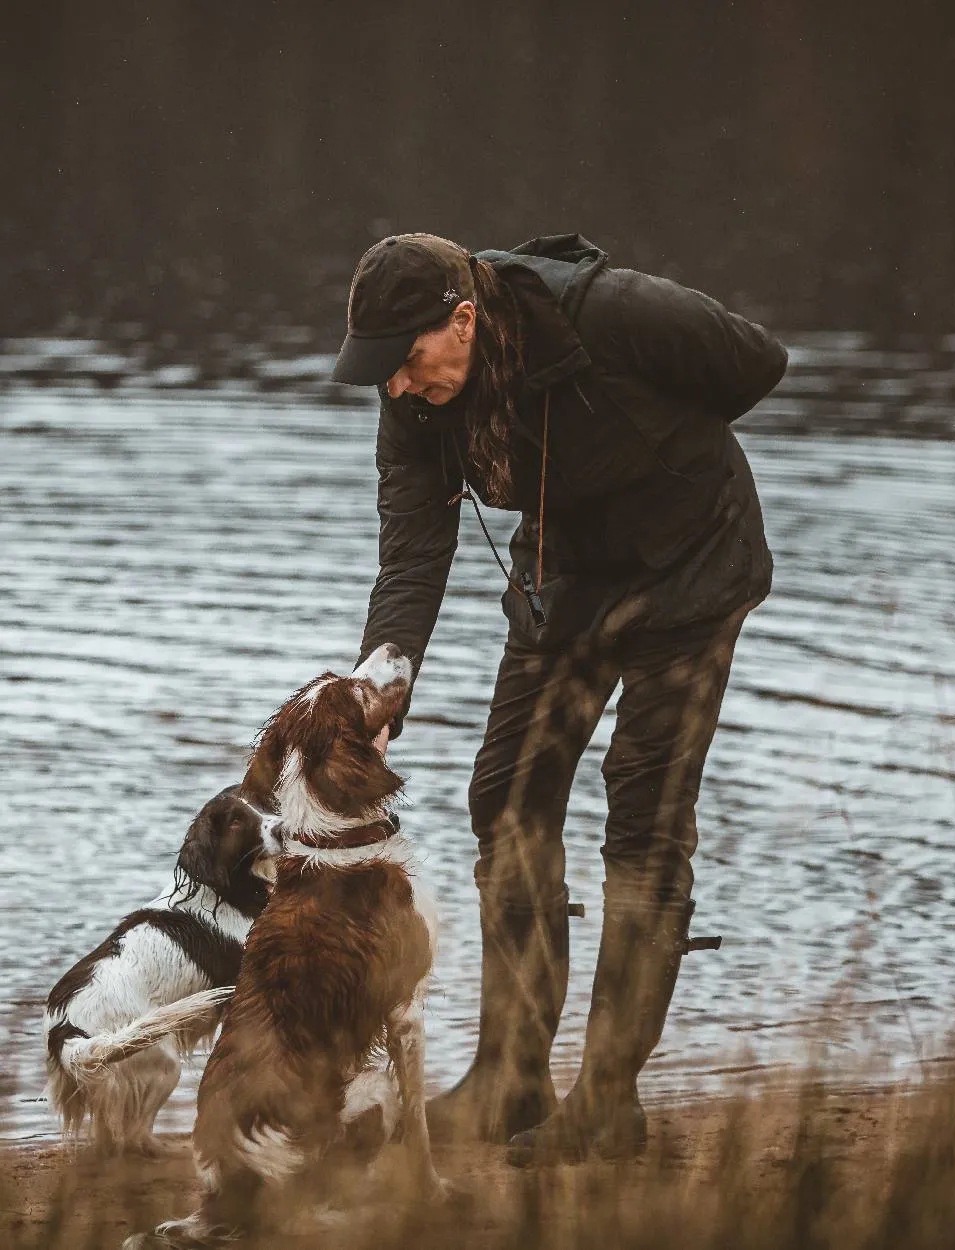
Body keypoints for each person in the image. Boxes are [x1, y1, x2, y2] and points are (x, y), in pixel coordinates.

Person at [332, 233, 787, 1165]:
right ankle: (513, 1076)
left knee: (644, 821)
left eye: (409, 362)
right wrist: (384, 673)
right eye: (382, 374)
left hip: (692, 573)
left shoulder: (607, 313)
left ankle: (608, 1101)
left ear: (462, 319)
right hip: (567, 575)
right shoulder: (411, 400)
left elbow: (755, 361)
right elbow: (415, 546)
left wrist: (663, 446)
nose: (399, 388)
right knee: (505, 800)